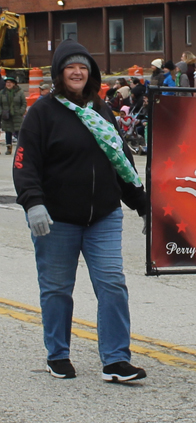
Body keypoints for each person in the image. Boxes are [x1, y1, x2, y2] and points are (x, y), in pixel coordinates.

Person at [12, 39, 147, 383]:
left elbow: (121, 161)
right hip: (56, 218)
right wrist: (33, 202)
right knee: (57, 288)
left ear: (91, 74)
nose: (77, 72)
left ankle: (115, 360)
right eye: (71, 67)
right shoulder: (42, 112)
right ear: (59, 73)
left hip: (103, 214)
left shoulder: (101, 110)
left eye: (83, 67)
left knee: (113, 283)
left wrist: (142, 204)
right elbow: (25, 162)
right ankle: (58, 354)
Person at [0, 76, 27, 155]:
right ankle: (9, 148)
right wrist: (1, 112)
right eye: (7, 82)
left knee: (18, 132)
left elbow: (24, 103)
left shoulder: (19, 92)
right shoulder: (2, 93)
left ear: (14, 84)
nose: (8, 84)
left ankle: (20, 148)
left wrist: (21, 111)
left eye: (10, 83)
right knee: (8, 132)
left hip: (17, 115)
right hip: (6, 116)